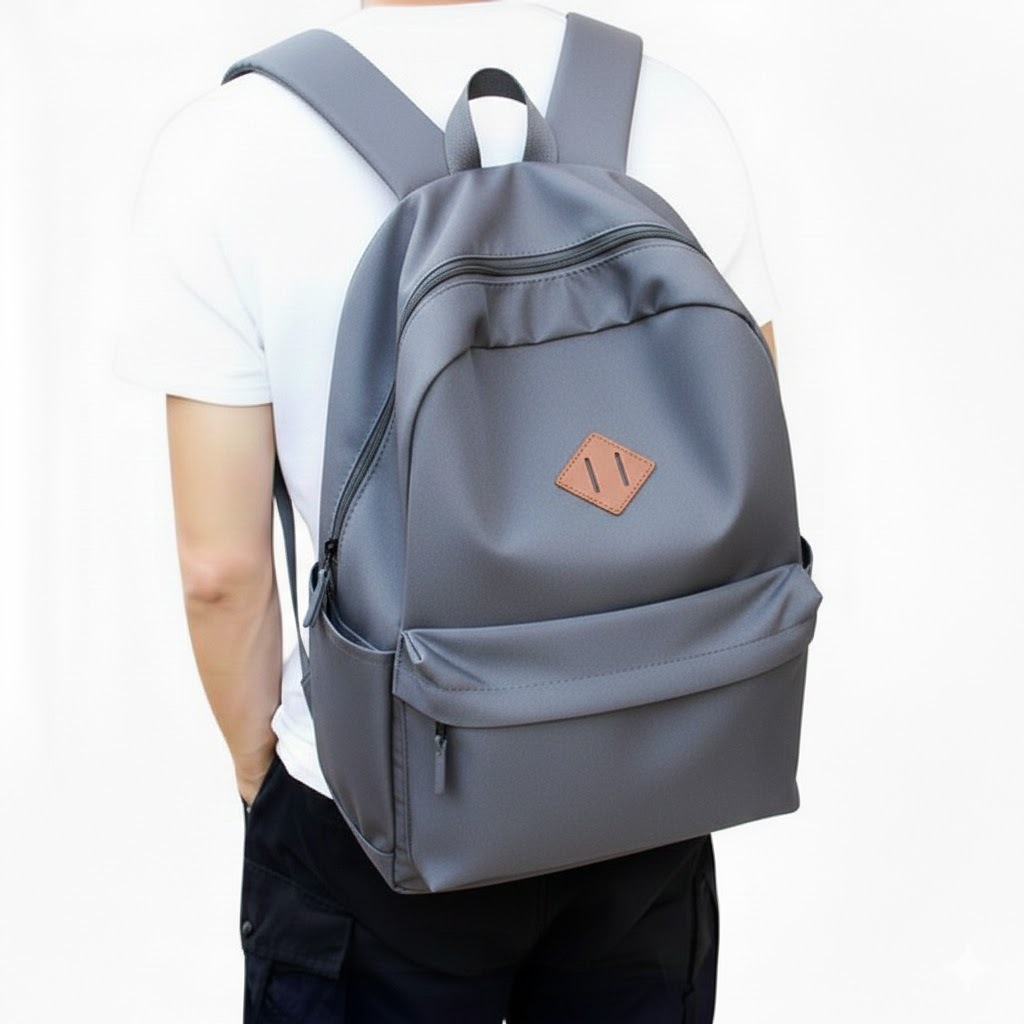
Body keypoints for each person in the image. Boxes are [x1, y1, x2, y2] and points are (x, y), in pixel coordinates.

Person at [117, 1, 779, 1019]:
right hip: (651, 786)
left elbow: (221, 572)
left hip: (383, 813)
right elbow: (742, 461)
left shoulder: (227, 148)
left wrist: (271, 779)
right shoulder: (671, 107)